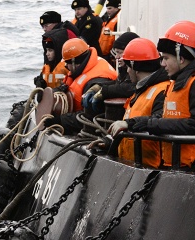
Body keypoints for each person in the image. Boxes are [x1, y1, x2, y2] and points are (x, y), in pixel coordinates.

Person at [109, 21, 195, 169]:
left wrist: (146, 124)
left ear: (181, 58)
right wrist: (131, 124)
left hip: (188, 168)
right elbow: (163, 118)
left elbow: (192, 125)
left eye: (166, 58)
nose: (162, 64)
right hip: (175, 165)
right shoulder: (175, 85)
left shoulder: (190, 84)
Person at [108, 38, 169, 166]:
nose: (127, 71)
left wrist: (129, 124)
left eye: (128, 67)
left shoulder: (162, 91)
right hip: (133, 164)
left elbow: (159, 120)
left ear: (135, 67)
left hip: (151, 168)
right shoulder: (142, 89)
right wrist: (109, 141)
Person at [46, 38, 117, 135]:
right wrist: (49, 94)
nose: (66, 66)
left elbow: (89, 118)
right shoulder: (88, 65)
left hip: (91, 128)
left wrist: (60, 120)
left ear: (74, 62)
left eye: (67, 63)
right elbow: (67, 86)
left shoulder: (95, 83)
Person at [82, 31, 139, 114]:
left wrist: (105, 91)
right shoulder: (124, 70)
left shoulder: (137, 73)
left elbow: (131, 88)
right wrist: (98, 86)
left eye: (120, 53)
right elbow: (118, 83)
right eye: (116, 53)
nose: (116, 57)